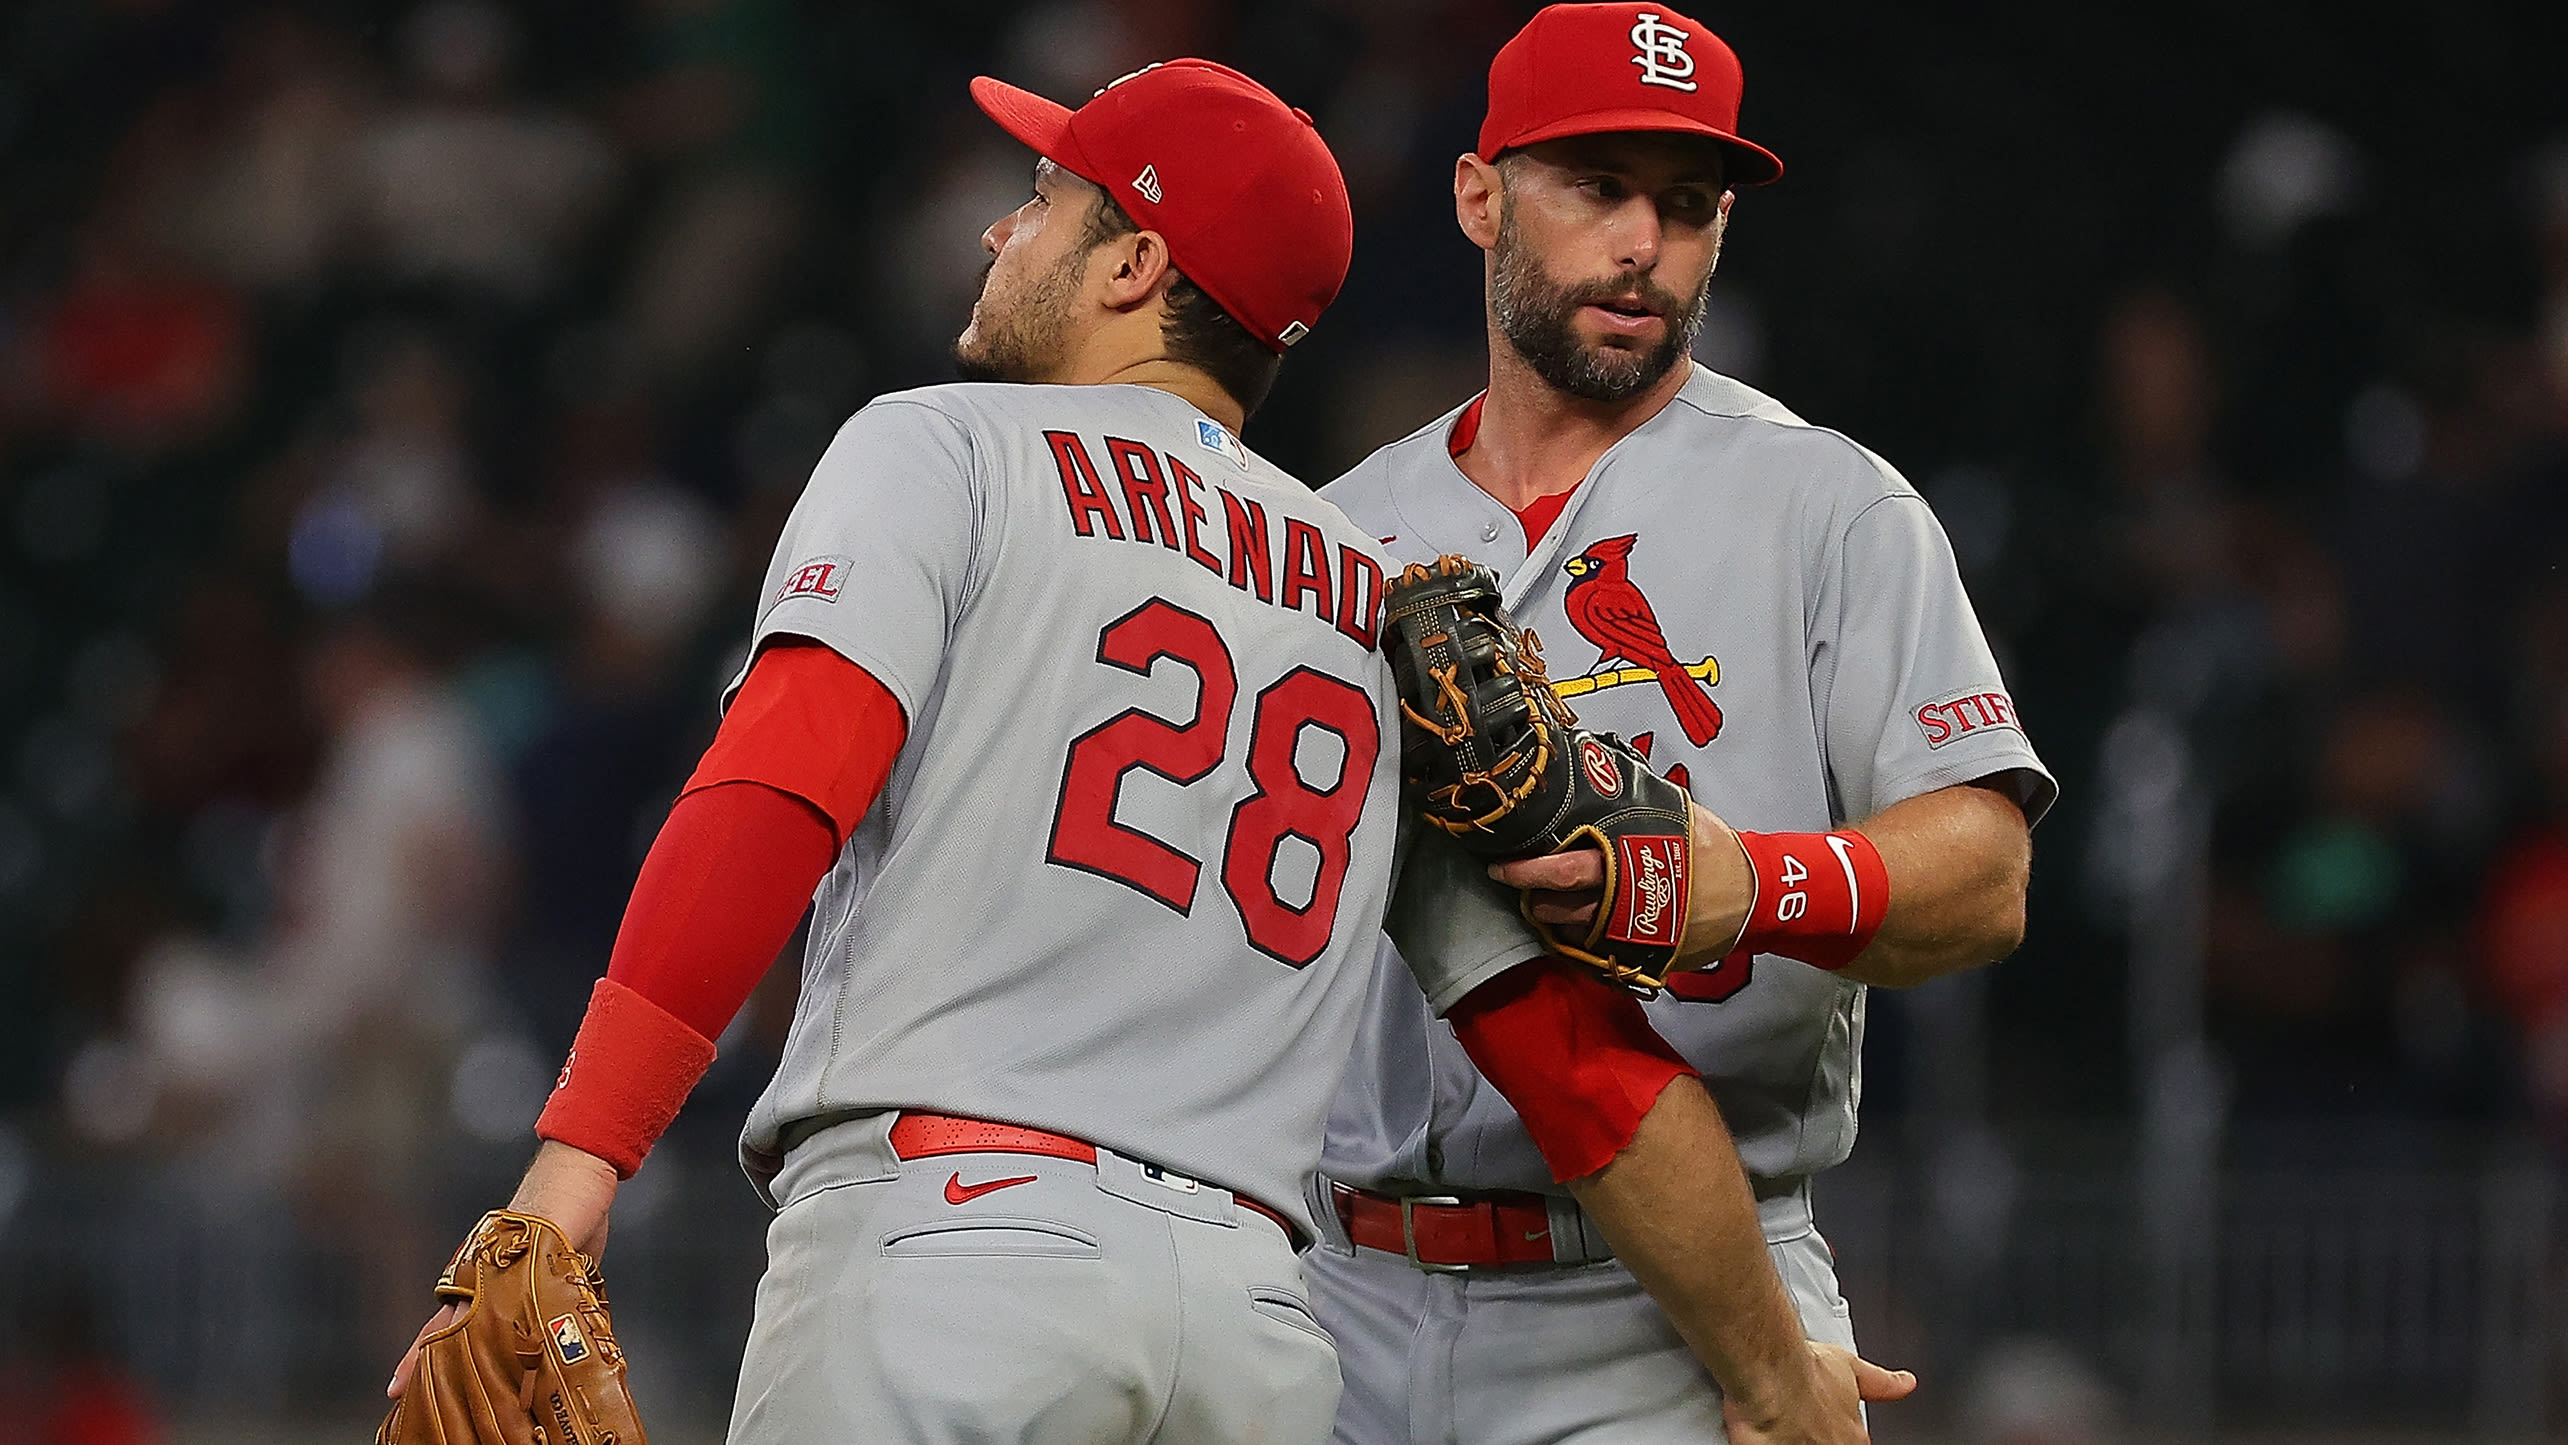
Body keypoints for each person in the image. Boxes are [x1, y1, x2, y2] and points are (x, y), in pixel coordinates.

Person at [386, 56, 1905, 1443]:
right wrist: (1774, 1363)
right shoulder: (1374, 593)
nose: (1002, 235)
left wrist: (574, 1167)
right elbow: (1566, 1056)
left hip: (949, 1260)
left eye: (1046, 201)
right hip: (1253, 1329)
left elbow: (773, 791)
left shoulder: (940, 447)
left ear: (1133, 262)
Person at [1307, 5, 2058, 1444]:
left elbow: (1986, 870)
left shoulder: (1827, 504)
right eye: (1596, 187)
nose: (1644, 244)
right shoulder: (1342, 528)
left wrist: (1755, 883)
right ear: (1479, 195)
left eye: (1688, 205)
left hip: (1677, 1308)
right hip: (1342, 1281)